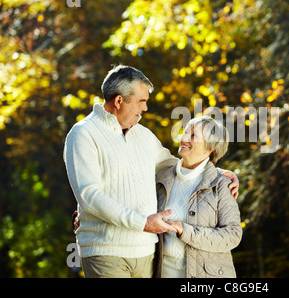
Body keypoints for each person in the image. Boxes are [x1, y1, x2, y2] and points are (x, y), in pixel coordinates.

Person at [64, 65, 238, 278]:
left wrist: (217, 172)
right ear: (119, 101)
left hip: (147, 253)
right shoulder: (83, 134)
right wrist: (143, 223)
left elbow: (174, 166)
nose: (145, 108)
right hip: (106, 250)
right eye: (141, 101)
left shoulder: (144, 136)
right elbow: (89, 195)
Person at [155, 116, 242, 278]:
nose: (184, 138)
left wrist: (185, 230)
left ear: (211, 147)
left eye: (193, 135)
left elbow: (233, 234)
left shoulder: (222, 184)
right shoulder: (162, 179)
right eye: (185, 132)